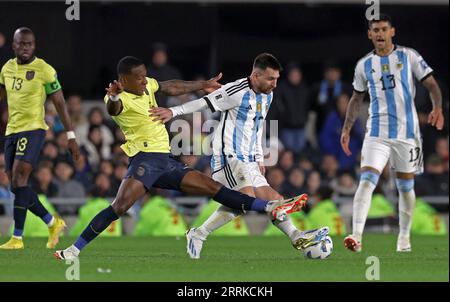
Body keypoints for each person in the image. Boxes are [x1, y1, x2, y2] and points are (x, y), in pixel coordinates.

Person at [54, 55, 306, 260]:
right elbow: (113, 108)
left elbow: (170, 85)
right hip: (145, 161)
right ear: (123, 80)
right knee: (119, 207)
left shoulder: (147, 86)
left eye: (144, 75)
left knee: (214, 188)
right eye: (139, 77)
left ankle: (265, 209)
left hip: (166, 161)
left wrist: (202, 84)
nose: (144, 80)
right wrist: (114, 96)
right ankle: (73, 250)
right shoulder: (122, 99)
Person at [150, 53, 329, 259]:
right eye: (271, 79)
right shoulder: (236, 91)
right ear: (255, 75)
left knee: (275, 199)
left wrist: (259, 157)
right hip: (229, 155)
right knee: (246, 199)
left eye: (277, 79)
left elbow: (258, 127)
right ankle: (200, 234)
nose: (275, 84)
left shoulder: (267, 95)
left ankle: (296, 235)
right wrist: (173, 112)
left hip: (249, 159)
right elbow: (204, 102)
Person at [340, 14, 444, 252]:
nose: (379, 34)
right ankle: (356, 236)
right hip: (376, 133)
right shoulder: (364, 65)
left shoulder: (409, 56)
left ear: (392, 32)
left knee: (405, 187)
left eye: (384, 29)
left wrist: (437, 107)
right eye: (375, 30)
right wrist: (346, 128)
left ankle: (404, 237)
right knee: (366, 180)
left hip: (407, 134)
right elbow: (356, 99)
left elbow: (431, 85)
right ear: (369, 34)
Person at [0, 27, 81, 250]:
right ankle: (52, 222)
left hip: (34, 129)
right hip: (11, 131)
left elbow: (60, 103)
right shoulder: (7, 68)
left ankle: (17, 238)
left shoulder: (44, 69)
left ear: (34, 46)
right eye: (21, 43)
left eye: (29, 44)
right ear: (14, 45)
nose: (25, 47)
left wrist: (70, 135)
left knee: (18, 177)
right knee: (16, 186)